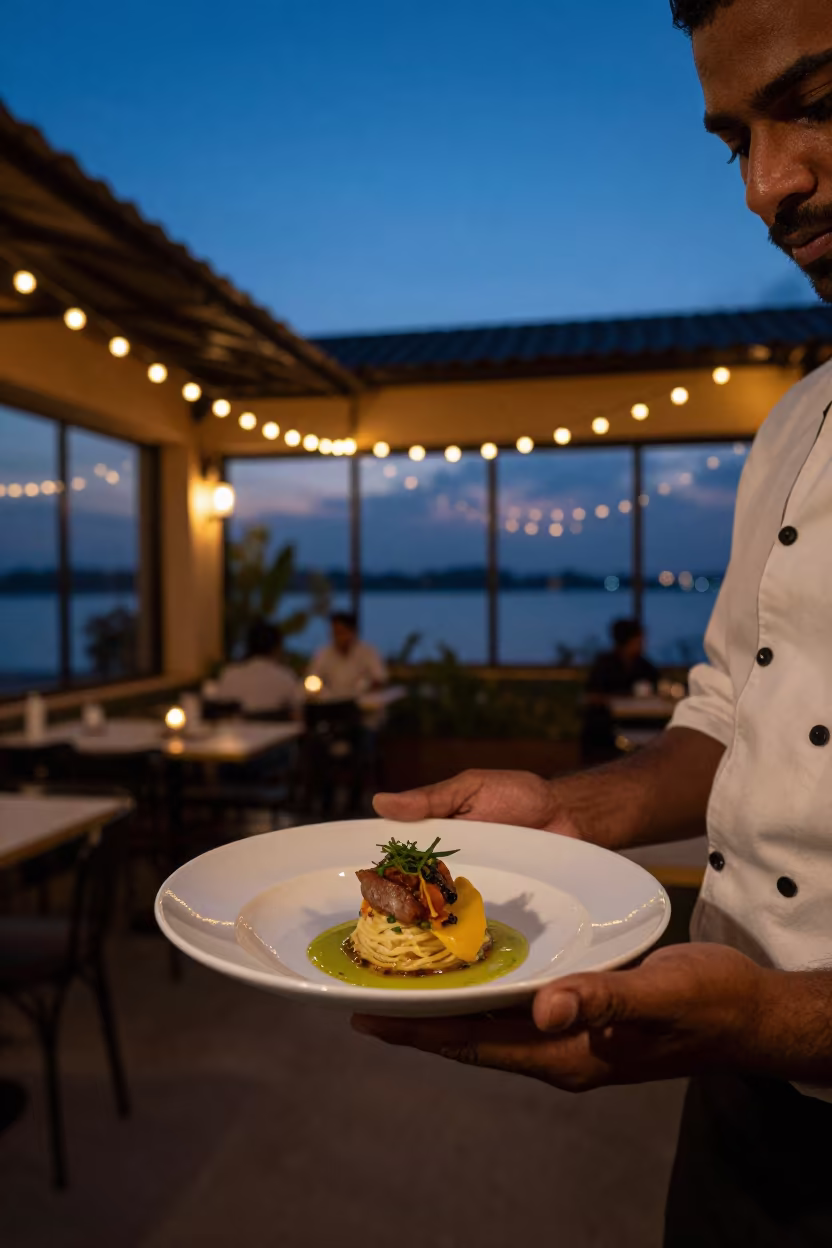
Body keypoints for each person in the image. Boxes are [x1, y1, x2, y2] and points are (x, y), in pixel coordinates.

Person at [357, 3, 832, 1243]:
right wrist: (565, 814)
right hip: (738, 1110)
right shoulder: (793, 427)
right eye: (734, 139)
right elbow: (732, 719)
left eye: (818, 104)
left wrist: (778, 1016)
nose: (768, 187)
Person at [582, 619, 662, 763]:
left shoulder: (645, 666)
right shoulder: (605, 664)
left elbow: (657, 689)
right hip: (608, 725)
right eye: (640, 639)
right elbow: (591, 695)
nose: (644, 642)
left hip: (639, 721)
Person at [213, 619, 303, 716]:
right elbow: (299, 710)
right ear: (276, 648)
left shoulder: (229, 675)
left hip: (236, 730)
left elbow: (220, 708)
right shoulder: (285, 677)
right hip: (276, 730)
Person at [309, 611, 388, 700]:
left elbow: (379, 678)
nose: (338, 637)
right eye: (335, 633)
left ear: (353, 632)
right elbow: (313, 677)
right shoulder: (323, 653)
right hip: (331, 704)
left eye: (341, 632)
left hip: (362, 704)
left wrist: (366, 687)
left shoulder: (368, 652)